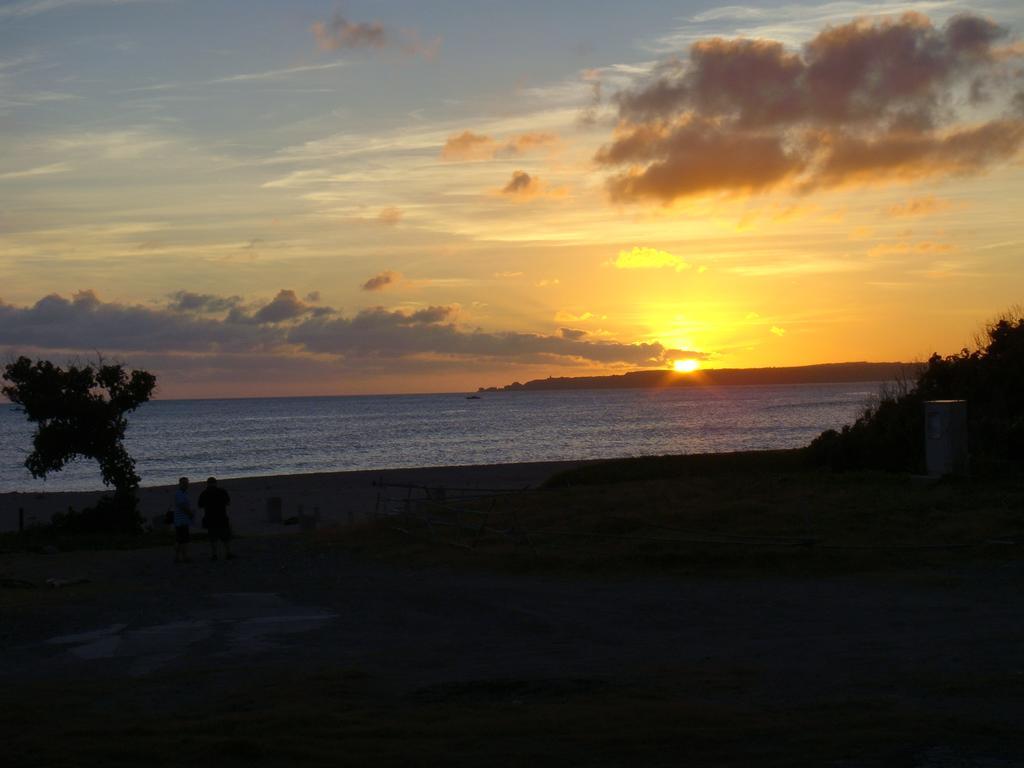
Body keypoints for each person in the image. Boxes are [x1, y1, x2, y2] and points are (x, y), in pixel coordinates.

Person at [198, 476, 233, 560]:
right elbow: (228, 502)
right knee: (225, 537)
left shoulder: (204, 493)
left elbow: (200, 505)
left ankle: (214, 554)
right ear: (215, 483)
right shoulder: (222, 491)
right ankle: (228, 553)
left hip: (210, 517)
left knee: (213, 538)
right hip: (222, 516)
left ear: (207, 484)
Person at [172, 476, 194, 563]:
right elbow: (182, 506)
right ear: (180, 484)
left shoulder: (183, 493)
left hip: (182, 520)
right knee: (183, 540)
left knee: (181, 540)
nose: (186, 485)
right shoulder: (179, 494)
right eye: (184, 483)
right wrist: (190, 514)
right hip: (180, 520)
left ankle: (178, 557)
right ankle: (183, 557)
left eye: (187, 483)